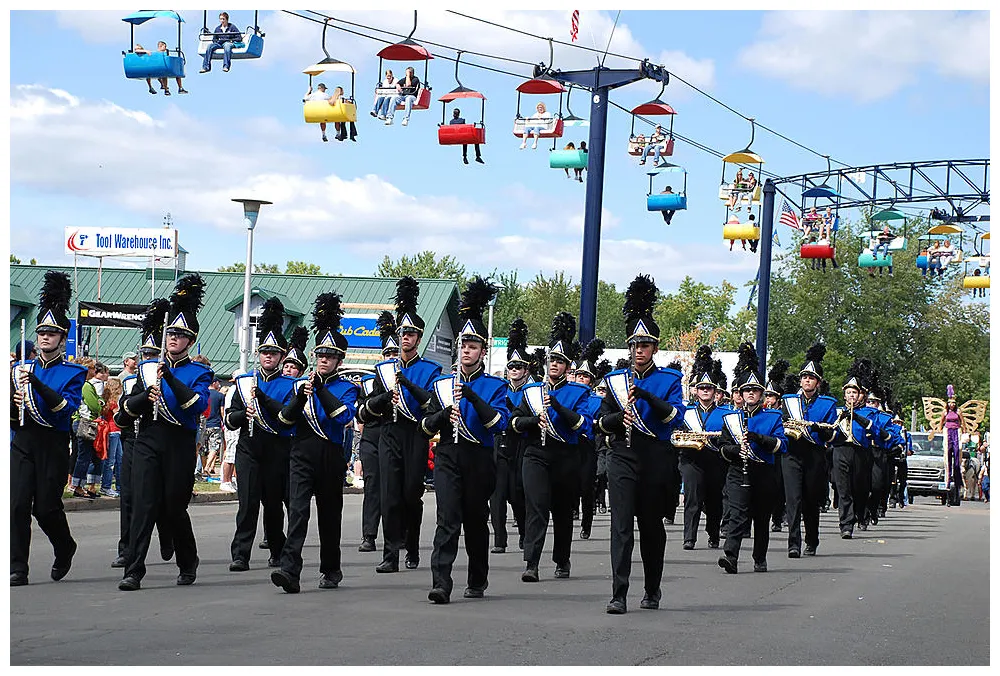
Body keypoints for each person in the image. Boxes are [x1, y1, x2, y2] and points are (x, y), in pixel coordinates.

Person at [117, 274, 212, 592]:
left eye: (181, 334)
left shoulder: (200, 372)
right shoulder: (146, 368)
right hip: (148, 439)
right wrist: (146, 396)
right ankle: (134, 569)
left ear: (191, 340)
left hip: (179, 442)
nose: (173, 338)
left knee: (173, 506)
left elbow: (196, 405)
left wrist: (169, 378)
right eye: (171, 332)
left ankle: (188, 560)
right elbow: (128, 409)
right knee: (143, 504)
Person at [596, 275, 685, 613]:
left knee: (650, 526)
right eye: (633, 345)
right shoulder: (615, 380)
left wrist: (646, 396)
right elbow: (601, 421)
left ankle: (652, 588)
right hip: (621, 455)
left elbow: (674, 416)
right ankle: (618, 593)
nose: (638, 351)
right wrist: (619, 419)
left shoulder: (669, 380)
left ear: (655, 348)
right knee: (620, 526)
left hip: (655, 457)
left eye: (644, 345)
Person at [419, 278, 508, 604]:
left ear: (482, 350)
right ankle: (441, 582)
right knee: (447, 519)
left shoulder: (494, 386)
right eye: (462, 345)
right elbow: (426, 427)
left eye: (472, 346)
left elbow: (499, 424)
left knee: (474, 520)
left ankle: (477, 577)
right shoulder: (442, 384)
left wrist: (471, 395)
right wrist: (444, 415)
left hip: (479, 459)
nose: (466, 350)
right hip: (447, 457)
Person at [270, 292, 359, 593]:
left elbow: (342, 417)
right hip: (301, 453)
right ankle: (289, 569)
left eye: (329, 356)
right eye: (320, 355)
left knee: (329, 517)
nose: (323, 360)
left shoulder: (347, 388)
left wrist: (319, 390)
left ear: (339, 360)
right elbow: (284, 420)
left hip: (331, 455)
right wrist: (300, 395)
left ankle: (331, 569)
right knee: (297, 512)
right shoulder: (298, 385)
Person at [361, 277, 444, 573]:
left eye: (410, 333)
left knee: (411, 494)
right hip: (388, 433)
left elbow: (432, 405)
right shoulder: (384, 368)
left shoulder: (431, 370)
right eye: (402, 333)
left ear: (419, 338)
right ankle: (390, 553)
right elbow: (367, 409)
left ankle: (411, 545)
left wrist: (407, 384)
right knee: (389, 495)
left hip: (415, 435)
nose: (405, 338)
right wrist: (384, 397)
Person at [10, 271, 85, 587]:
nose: (44, 337)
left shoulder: (73, 373)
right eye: (41, 331)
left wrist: (36, 385)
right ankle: (18, 567)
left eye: (52, 333)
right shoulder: (18, 370)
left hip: (53, 444)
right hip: (23, 441)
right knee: (15, 504)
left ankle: (64, 545)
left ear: (62, 336)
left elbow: (64, 410)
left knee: (46, 508)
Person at [510, 312, 591, 584]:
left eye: (559, 361)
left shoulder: (578, 393)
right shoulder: (531, 391)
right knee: (537, 506)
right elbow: (515, 422)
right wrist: (534, 420)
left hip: (565, 456)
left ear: (567, 367)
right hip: (535, 453)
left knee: (562, 511)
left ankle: (562, 558)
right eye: (551, 360)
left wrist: (556, 406)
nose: (554, 364)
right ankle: (531, 562)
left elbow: (582, 425)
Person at [226, 298, 299, 573]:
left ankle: (277, 550)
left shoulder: (291, 384)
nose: (268, 356)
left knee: (272, 504)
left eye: (274, 353)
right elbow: (230, 419)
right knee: (247, 504)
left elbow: (290, 417)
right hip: (248, 447)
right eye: (265, 351)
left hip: (277, 449)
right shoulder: (245, 382)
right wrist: (242, 414)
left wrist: (265, 402)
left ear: (282, 357)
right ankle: (240, 554)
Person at [716, 342, 787, 575]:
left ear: (761, 395)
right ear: (741, 394)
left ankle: (760, 557)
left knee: (761, 518)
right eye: (747, 391)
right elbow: (723, 447)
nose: (750, 394)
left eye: (755, 391)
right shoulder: (730, 418)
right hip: (738, 471)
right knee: (736, 514)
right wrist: (736, 451)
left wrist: (759, 438)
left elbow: (781, 445)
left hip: (764, 472)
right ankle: (731, 556)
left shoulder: (774, 417)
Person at [112, 308, 174, 569]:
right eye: (144, 354)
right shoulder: (129, 381)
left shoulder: (169, 378)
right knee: (129, 496)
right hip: (132, 441)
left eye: (152, 354)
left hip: (157, 441)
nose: (146, 358)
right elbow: (120, 415)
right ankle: (127, 549)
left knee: (157, 498)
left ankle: (166, 536)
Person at [781, 344, 838, 557]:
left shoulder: (827, 404)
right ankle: (793, 543)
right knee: (793, 499)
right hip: (792, 454)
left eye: (811, 377)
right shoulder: (789, 401)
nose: (807, 380)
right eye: (804, 377)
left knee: (810, 500)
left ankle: (811, 539)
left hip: (814, 455)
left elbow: (832, 435)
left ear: (818, 382)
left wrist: (817, 428)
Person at [489, 319, 533, 553]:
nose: (514, 370)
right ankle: (499, 540)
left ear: (526, 370)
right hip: (499, 444)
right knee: (496, 495)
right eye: (511, 367)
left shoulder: (531, 392)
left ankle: (525, 535)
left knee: (518, 494)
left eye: (518, 367)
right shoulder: (500, 389)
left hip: (522, 445)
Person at [676, 346, 726, 551]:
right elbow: (675, 435)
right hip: (691, 460)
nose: (705, 390)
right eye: (702, 387)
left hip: (715, 461)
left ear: (715, 392)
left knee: (714, 501)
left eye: (709, 388)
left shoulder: (725, 413)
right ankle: (689, 537)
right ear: (695, 391)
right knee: (692, 499)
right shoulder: (685, 412)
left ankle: (714, 533)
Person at [356, 314, 398, 553]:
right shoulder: (368, 381)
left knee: (394, 487)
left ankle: (396, 534)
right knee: (373, 487)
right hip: (372, 437)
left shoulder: (405, 379)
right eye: (388, 354)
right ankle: (369, 535)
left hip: (394, 437)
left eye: (395, 354)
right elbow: (361, 412)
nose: (392, 358)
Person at [830, 359, 883, 538]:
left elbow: (875, 430)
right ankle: (846, 524)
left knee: (859, 489)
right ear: (844, 395)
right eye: (849, 392)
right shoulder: (837, 411)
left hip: (861, 452)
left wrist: (855, 418)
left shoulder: (869, 412)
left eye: (855, 392)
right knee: (843, 489)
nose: (851, 395)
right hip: (841, 450)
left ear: (860, 395)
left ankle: (862, 513)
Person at [572, 340, 609, 541]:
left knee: (587, 486)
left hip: (589, 446)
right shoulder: (566, 395)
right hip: (569, 445)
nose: (581, 379)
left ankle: (587, 522)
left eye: (585, 376)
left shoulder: (597, 401)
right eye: (579, 375)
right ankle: (572, 512)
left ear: (592, 381)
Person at [99, 377, 124, 498]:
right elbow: (118, 415)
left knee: (119, 459)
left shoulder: (108, 400)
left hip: (115, 431)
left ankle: (119, 486)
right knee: (111, 461)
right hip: (113, 431)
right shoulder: (113, 402)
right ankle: (106, 486)